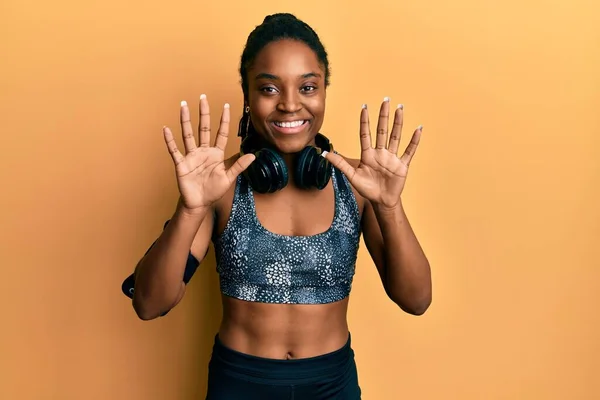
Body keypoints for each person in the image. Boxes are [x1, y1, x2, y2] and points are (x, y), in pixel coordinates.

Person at [126, 12, 432, 400]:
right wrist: (189, 211)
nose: (290, 105)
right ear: (248, 98)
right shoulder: (218, 186)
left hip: (332, 384)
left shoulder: (359, 184)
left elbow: (417, 300)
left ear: (324, 92)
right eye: (269, 89)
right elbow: (149, 304)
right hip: (239, 383)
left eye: (307, 87)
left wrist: (389, 207)